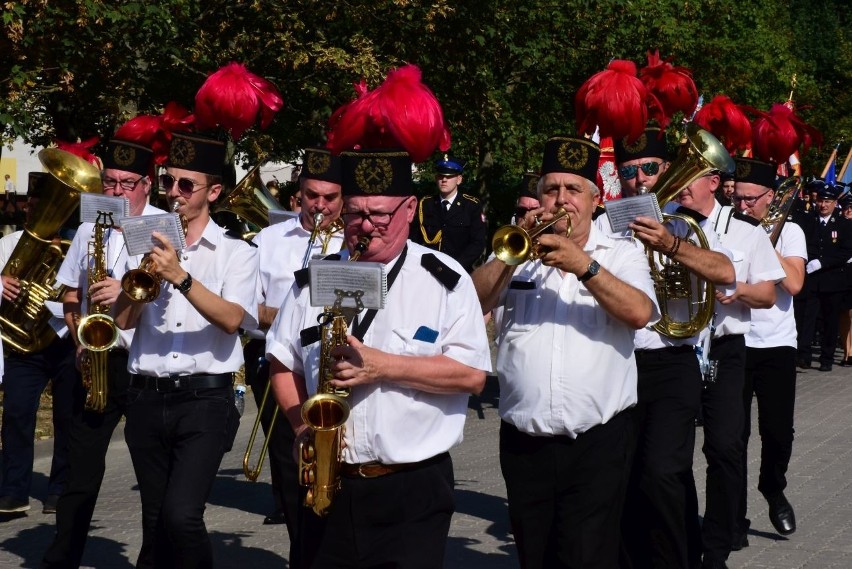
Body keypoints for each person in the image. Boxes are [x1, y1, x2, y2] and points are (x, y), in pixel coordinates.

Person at [267, 147, 491, 568]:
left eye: (379, 215)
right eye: (354, 214)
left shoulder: (444, 280)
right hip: (328, 484)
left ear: (409, 209)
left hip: (409, 490)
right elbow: (282, 361)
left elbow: (473, 376)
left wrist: (382, 366)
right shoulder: (312, 282)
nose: (365, 227)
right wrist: (301, 428)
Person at [473, 136, 658, 569]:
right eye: (551, 189)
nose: (561, 200)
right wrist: (510, 258)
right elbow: (471, 301)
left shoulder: (621, 253)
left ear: (595, 201)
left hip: (598, 440)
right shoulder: (516, 251)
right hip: (524, 442)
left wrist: (584, 266)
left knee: (586, 555)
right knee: (534, 555)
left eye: (573, 190)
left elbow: (639, 312)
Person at [113, 131, 258, 568]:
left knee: (182, 515)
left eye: (185, 185)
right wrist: (140, 278)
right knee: (155, 520)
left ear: (213, 192)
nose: (173, 193)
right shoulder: (144, 241)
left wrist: (180, 276)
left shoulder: (236, 253)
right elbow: (122, 321)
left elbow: (234, 320)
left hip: (205, 399)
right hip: (145, 394)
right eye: (168, 182)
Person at [602, 126, 736, 569]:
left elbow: (724, 271)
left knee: (661, 471)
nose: (638, 178)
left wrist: (671, 245)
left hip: (670, 362)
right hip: (616, 362)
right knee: (627, 477)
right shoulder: (604, 223)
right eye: (628, 170)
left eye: (649, 169)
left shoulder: (685, 221)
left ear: (666, 170)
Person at [42, 137, 165, 568]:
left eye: (126, 183)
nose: (115, 192)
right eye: (109, 182)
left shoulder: (165, 226)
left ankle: (153, 558)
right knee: (80, 473)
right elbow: (71, 292)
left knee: (153, 477)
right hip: (97, 357)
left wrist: (125, 291)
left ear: (146, 184)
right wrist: (79, 337)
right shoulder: (90, 223)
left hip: (147, 362)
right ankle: (63, 556)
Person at [677, 158, 786, 569]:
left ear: (712, 182)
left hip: (725, 349)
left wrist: (736, 288)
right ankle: (683, 536)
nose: (681, 187)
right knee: (672, 454)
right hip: (677, 348)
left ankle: (718, 547)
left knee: (724, 448)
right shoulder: (669, 224)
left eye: (688, 179)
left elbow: (768, 295)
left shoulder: (745, 230)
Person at [244, 147, 344, 563]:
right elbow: (247, 308)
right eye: (311, 195)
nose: (319, 205)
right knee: (293, 462)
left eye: (329, 198)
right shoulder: (268, 240)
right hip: (278, 360)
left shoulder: (353, 240)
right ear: (298, 195)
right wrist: (290, 315)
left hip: (337, 362)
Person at [730, 161, 807, 549]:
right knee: (733, 437)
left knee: (778, 433)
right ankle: (735, 517)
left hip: (776, 344)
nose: (742, 204)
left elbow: (792, 284)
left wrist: (765, 239)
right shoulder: (727, 228)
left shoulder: (790, 231)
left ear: (770, 198)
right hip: (737, 342)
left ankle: (773, 488)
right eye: (736, 196)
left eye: (750, 199)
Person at [0, 172, 76, 515]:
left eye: (42, 207)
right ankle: (13, 490)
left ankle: (60, 488)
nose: (33, 212)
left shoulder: (74, 248)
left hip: (62, 341)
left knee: (66, 416)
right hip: (22, 345)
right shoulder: (5, 244)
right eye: (30, 206)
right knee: (16, 414)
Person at [793, 182, 852, 371]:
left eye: (827, 201)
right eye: (820, 201)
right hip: (810, 279)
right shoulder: (808, 221)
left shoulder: (843, 224)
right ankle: (804, 355)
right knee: (807, 319)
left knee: (830, 320)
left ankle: (827, 358)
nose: (823, 205)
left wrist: (823, 262)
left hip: (832, 280)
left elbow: (845, 251)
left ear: (835, 203)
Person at [411, 155, 486, 272]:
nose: (444, 180)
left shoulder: (471, 206)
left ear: (459, 179)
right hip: (428, 270)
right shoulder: (426, 204)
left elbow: (477, 243)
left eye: (449, 176)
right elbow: (415, 239)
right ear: (436, 178)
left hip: (460, 270)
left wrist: (456, 266)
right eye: (441, 176)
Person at [838, 194, 852, 366]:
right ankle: (846, 350)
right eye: (846, 207)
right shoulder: (839, 226)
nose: (849, 210)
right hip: (843, 272)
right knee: (844, 312)